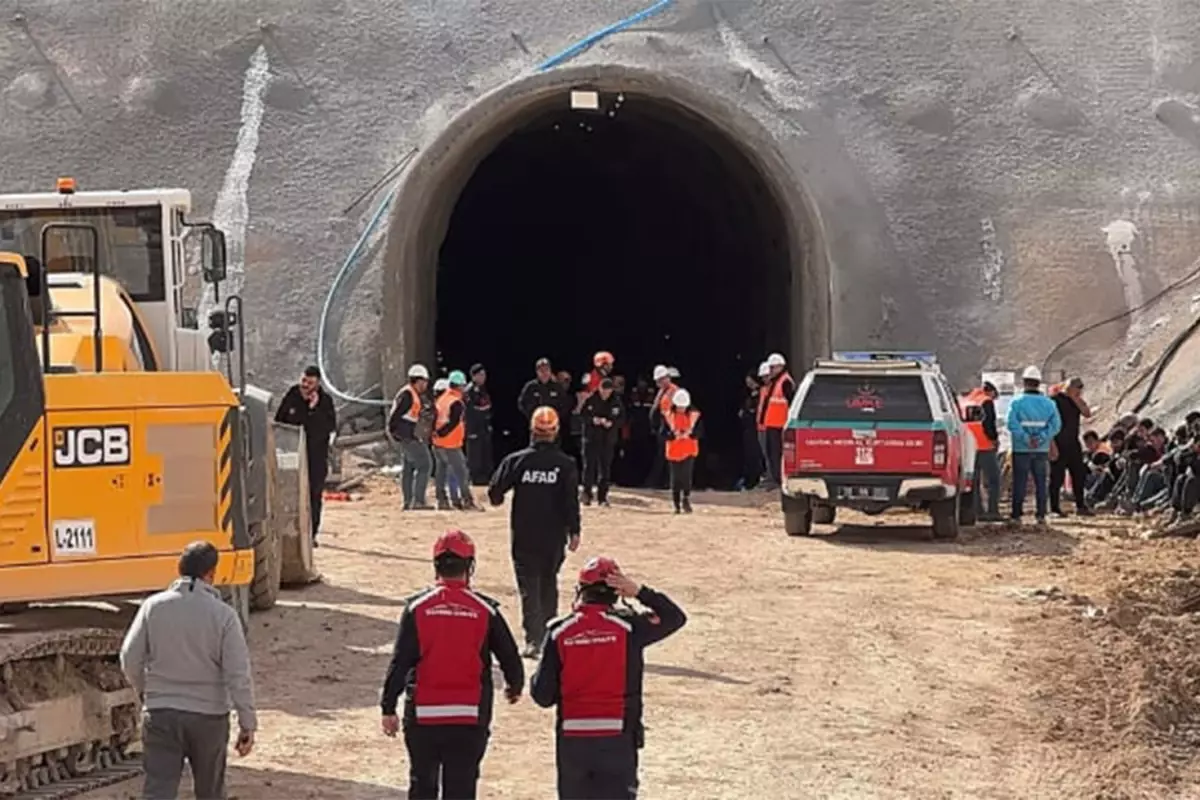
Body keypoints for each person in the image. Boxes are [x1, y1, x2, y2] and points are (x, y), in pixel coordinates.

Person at [380, 530, 524, 800]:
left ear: (436, 565)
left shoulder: (416, 608)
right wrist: (514, 687)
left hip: (423, 717)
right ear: (470, 567)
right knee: (461, 788)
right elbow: (510, 657)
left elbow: (400, 662)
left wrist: (388, 707)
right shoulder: (486, 610)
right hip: (469, 717)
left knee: (422, 784)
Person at [531, 556, 687, 800]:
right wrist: (639, 592)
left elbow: (542, 695)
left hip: (573, 742)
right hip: (618, 739)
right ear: (617, 592)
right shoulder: (630, 627)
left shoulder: (559, 632)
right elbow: (675, 617)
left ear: (581, 591)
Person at [120, 542, 257, 800]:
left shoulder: (153, 607)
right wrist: (247, 724)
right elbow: (238, 674)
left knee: (158, 790)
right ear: (211, 574)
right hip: (209, 719)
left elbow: (129, 658)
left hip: (161, 714)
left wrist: (146, 692)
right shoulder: (224, 616)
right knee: (210, 791)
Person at [487, 407, 582, 658]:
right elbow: (571, 501)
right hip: (553, 537)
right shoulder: (565, 465)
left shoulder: (517, 461)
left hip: (524, 535)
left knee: (529, 587)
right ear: (556, 431)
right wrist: (575, 531)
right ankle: (551, 636)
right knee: (549, 582)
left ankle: (533, 640)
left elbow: (495, 492)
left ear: (532, 429)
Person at [274, 365, 338, 544]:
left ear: (317, 384)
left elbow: (329, 427)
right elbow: (280, 421)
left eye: (310, 383)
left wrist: (313, 408)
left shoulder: (325, 401)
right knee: (290, 495)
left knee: (313, 496)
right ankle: (289, 533)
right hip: (292, 456)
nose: (305, 385)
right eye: (303, 381)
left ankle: (311, 534)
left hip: (316, 457)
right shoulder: (292, 395)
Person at [1006, 365, 1061, 524]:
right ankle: (1041, 514)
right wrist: (1042, 437)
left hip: (1021, 448)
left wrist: (1025, 438)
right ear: (1038, 383)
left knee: (1020, 481)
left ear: (1024, 382)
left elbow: (1011, 423)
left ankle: (1017, 515)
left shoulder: (1016, 402)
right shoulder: (1049, 404)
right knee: (1041, 482)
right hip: (1041, 448)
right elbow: (1056, 425)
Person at [389, 364, 435, 511]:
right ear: (418, 381)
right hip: (407, 437)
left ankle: (409, 501)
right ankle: (418, 501)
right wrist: (396, 434)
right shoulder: (408, 395)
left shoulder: (410, 394)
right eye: (425, 381)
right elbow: (395, 417)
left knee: (408, 468)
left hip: (406, 436)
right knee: (425, 464)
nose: (426, 385)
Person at [433, 371, 479, 511]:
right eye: (463, 386)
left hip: (438, 444)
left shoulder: (442, 399)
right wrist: (441, 433)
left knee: (442, 472)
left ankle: (443, 500)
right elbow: (452, 423)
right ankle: (467, 501)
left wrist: (436, 434)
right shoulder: (456, 403)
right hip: (450, 444)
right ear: (459, 386)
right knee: (461, 472)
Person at [1049, 377, 1094, 518]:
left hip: (1073, 443)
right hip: (1058, 442)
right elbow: (1048, 422)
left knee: (1078, 475)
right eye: (1077, 388)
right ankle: (1054, 508)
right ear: (1069, 387)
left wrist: (1075, 399)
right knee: (1056, 477)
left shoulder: (1077, 401)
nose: (1079, 391)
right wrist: (1051, 444)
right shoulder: (1055, 400)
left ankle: (1080, 506)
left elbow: (1087, 413)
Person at [962, 382, 1001, 520]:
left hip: (968, 447)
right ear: (991, 392)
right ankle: (992, 511)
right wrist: (994, 439)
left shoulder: (966, 400)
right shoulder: (986, 401)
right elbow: (988, 424)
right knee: (994, 480)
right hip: (984, 446)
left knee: (974, 481)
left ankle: (977, 511)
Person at [581, 378, 624, 506]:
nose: (606, 393)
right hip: (591, 439)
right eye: (603, 390)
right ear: (599, 388)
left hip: (607, 440)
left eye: (608, 391)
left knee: (605, 469)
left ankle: (602, 498)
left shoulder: (616, 402)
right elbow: (583, 416)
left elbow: (622, 419)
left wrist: (612, 423)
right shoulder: (591, 399)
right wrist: (594, 420)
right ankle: (586, 495)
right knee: (589, 467)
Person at [757, 353, 795, 491]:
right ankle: (775, 480)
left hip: (780, 425)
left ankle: (779, 481)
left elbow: (791, 403)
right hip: (772, 424)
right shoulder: (776, 382)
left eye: (773, 368)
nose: (770, 371)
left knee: (778, 454)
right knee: (773, 454)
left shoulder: (785, 382)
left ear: (780, 367)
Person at [663, 388, 703, 514]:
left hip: (689, 450)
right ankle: (676, 504)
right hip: (674, 451)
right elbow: (662, 433)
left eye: (684, 407)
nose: (682, 409)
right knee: (675, 479)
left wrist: (690, 434)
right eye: (679, 407)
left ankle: (686, 498)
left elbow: (700, 432)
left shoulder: (695, 416)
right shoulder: (668, 415)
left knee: (686, 477)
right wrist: (673, 435)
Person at [519, 358, 571, 439]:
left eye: (546, 369)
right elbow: (522, 403)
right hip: (536, 427)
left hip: (552, 427)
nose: (544, 373)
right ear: (537, 372)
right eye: (541, 370)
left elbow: (565, 404)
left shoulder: (557, 387)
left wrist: (556, 417)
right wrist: (532, 416)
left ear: (550, 371)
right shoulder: (530, 387)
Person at [646, 366, 679, 490]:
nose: (658, 383)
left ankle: (668, 483)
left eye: (660, 380)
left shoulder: (674, 391)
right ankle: (659, 482)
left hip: (669, 428)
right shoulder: (662, 391)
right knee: (661, 456)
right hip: (662, 428)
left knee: (668, 457)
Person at [464, 364, 495, 485]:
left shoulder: (483, 389)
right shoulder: (469, 391)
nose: (483, 377)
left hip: (484, 428)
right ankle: (475, 480)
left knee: (486, 455)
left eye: (484, 375)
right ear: (474, 376)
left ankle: (486, 478)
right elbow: (470, 411)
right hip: (474, 429)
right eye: (481, 375)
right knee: (474, 457)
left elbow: (487, 406)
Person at [738, 368, 766, 491]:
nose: (749, 385)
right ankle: (750, 480)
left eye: (751, 383)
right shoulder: (750, 395)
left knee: (757, 455)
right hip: (748, 429)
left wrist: (748, 412)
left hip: (757, 428)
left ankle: (758, 479)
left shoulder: (762, 393)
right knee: (750, 456)